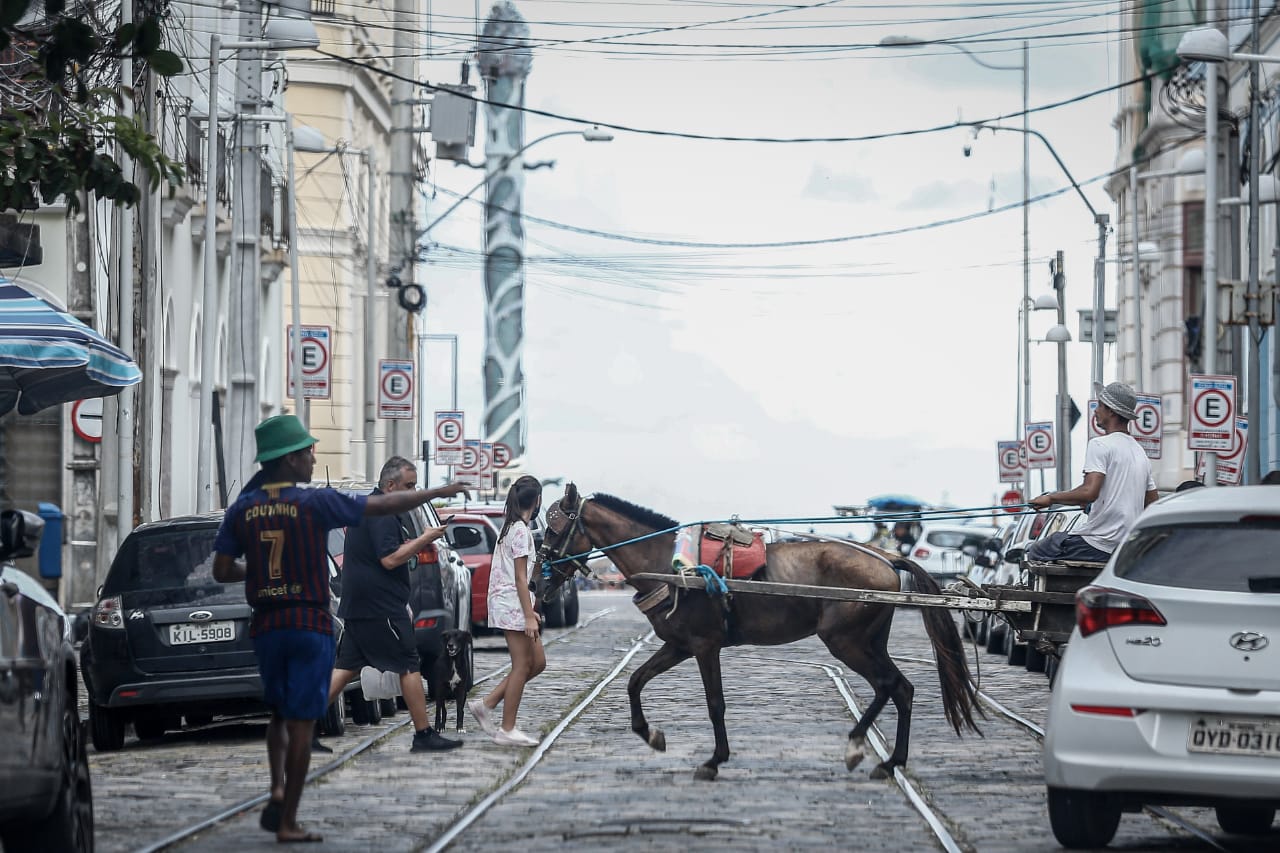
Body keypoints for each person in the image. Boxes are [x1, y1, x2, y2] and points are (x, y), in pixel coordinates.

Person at [211, 415, 467, 843]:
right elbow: (380, 510)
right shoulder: (314, 503)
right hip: (311, 619)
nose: (314, 456)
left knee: (290, 706)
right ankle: (290, 815)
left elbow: (222, 569)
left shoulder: (244, 507)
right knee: (336, 700)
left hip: (267, 622)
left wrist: (256, 568)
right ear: (290, 459)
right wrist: (438, 494)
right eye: (308, 451)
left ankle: (278, 788)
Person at [325, 456, 468, 753]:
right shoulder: (382, 514)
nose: (414, 493)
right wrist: (425, 538)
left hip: (364, 603)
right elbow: (390, 558)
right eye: (409, 486)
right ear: (391, 486)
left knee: (344, 668)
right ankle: (423, 734)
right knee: (408, 664)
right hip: (379, 606)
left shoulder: (376, 508)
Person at [1027, 382, 1158, 563]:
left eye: (1099, 406)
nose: (1096, 411)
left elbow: (1089, 492)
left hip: (1097, 543)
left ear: (1111, 411)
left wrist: (1050, 498)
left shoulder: (1100, 444)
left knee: (1036, 551)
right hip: (1124, 547)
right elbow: (1152, 503)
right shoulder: (1140, 452)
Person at [468, 475, 546, 747]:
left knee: (537, 663)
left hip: (511, 603)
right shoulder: (521, 531)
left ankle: (486, 704)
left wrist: (529, 611)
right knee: (522, 665)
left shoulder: (512, 527)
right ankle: (506, 729)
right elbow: (520, 578)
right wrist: (527, 615)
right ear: (537, 501)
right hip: (511, 605)